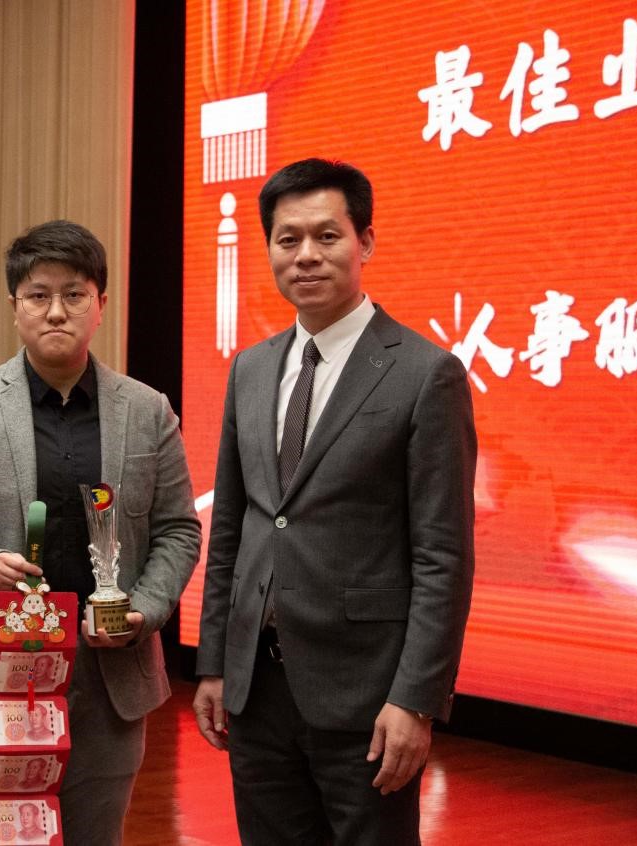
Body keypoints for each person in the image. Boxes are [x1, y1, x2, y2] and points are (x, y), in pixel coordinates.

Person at [192, 158, 477, 845]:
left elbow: (442, 556)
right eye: (287, 239)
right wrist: (213, 663)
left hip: (366, 696)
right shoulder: (251, 368)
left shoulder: (424, 374)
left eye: (327, 236)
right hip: (255, 690)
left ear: (365, 242)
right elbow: (231, 527)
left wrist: (415, 700)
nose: (306, 256)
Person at [0, 219, 202, 846]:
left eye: (74, 295)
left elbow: (178, 529)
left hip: (107, 676)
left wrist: (144, 609)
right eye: (38, 295)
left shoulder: (148, 411)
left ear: (101, 304)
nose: (56, 311)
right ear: (15, 306)